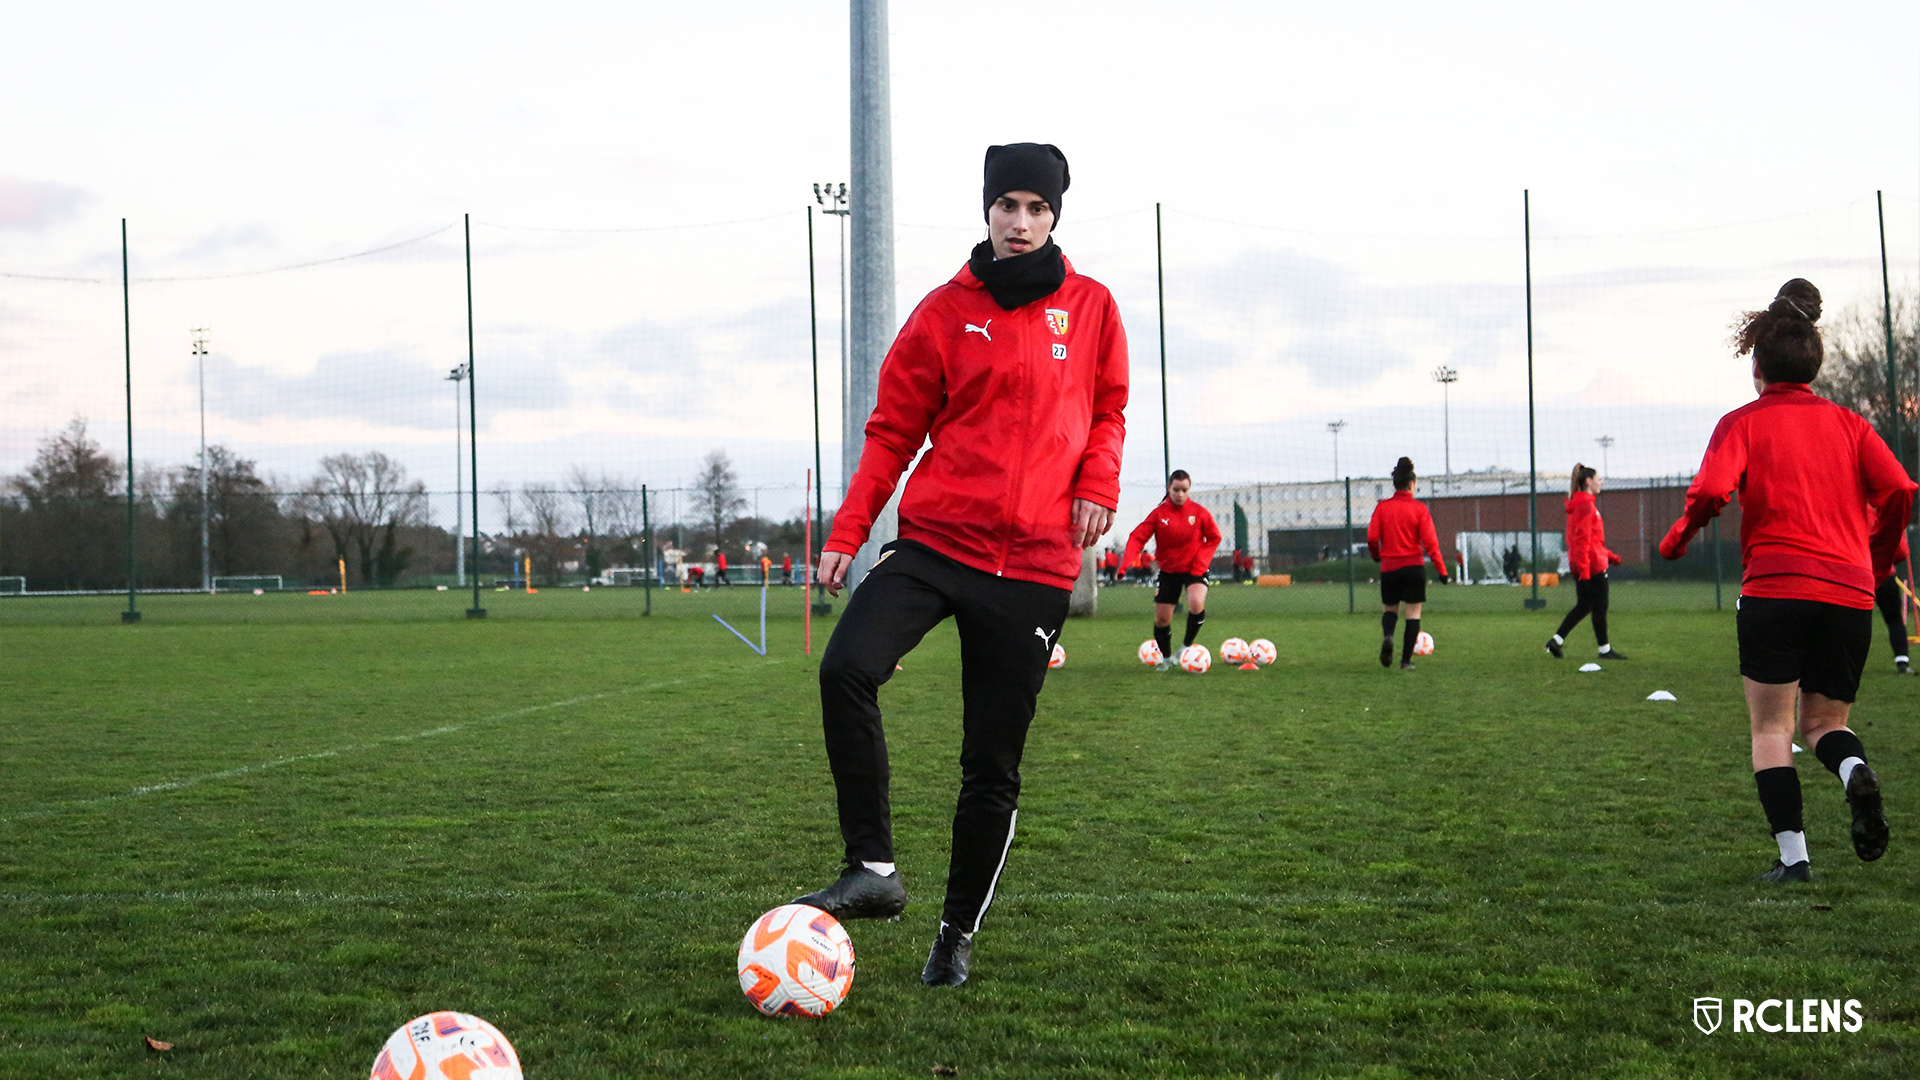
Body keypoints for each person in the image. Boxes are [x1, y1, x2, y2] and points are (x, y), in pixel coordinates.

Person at [794, 142, 1128, 986]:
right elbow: (892, 433)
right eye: (1007, 205)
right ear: (986, 210)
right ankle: (872, 868)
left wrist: (1098, 481)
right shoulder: (946, 312)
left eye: (1037, 209)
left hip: (1036, 565)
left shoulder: (1091, 308)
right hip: (938, 541)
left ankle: (955, 935)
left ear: (1055, 217)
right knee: (847, 667)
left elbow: (1109, 409)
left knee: (991, 764)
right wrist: (847, 533)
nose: (1021, 223)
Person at [1659, 278, 1914, 884]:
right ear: (1816, 365)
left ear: (1756, 364)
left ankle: (1794, 861)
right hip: (1849, 592)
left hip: (1775, 589)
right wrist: (1876, 559)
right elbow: (1901, 487)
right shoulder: (1851, 426)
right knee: (1826, 725)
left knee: (1771, 728)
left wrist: (1680, 537)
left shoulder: (1741, 423)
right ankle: (1855, 773)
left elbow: (1714, 489)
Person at [1122, 470, 1222, 671]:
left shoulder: (1199, 512)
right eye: (1176, 490)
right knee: (1162, 619)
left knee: (1196, 602)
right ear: (1169, 488)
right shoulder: (1159, 514)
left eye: (1184, 490)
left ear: (1189, 490)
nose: (1180, 494)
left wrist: (1200, 564)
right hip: (1169, 571)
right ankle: (1166, 658)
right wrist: (1125, 564)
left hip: (1195, 569)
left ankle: (1185, 647)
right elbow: (1137, 537)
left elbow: (1214, 537)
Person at [1366, 457, 1449, 670]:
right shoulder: (1419, 509)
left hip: (1390, 568)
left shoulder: (1382, 508)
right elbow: (1431, 542)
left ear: (1395, 483)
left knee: (1390, 610)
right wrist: (1442, 570)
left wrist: (1377, 556)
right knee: (1413, 614)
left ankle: (1388, 637)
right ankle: (1405, 662)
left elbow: (1372, 538)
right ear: (1412, 484)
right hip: (1413, 568)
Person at [1546, 464, 1627, 660]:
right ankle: (1604, 650)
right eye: (1598, 479)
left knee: (1584, 605)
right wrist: (1584, 569)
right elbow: (1582, 541)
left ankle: (1556, 641)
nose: (1601, 482)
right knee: (1600, 605)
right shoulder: (1585, 506)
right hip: (1591, 566)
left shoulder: (1581, 504)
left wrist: (1610, 556)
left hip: (1587, 562)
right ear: (1589, 482)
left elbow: (1591, 541)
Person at [1873, 534, 1911, 675]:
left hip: (1857, 572)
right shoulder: (1884, 515)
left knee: (1847, 618)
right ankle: (1902, 661)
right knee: (1894, 619)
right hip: (1885, 574)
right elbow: (1902, 550)